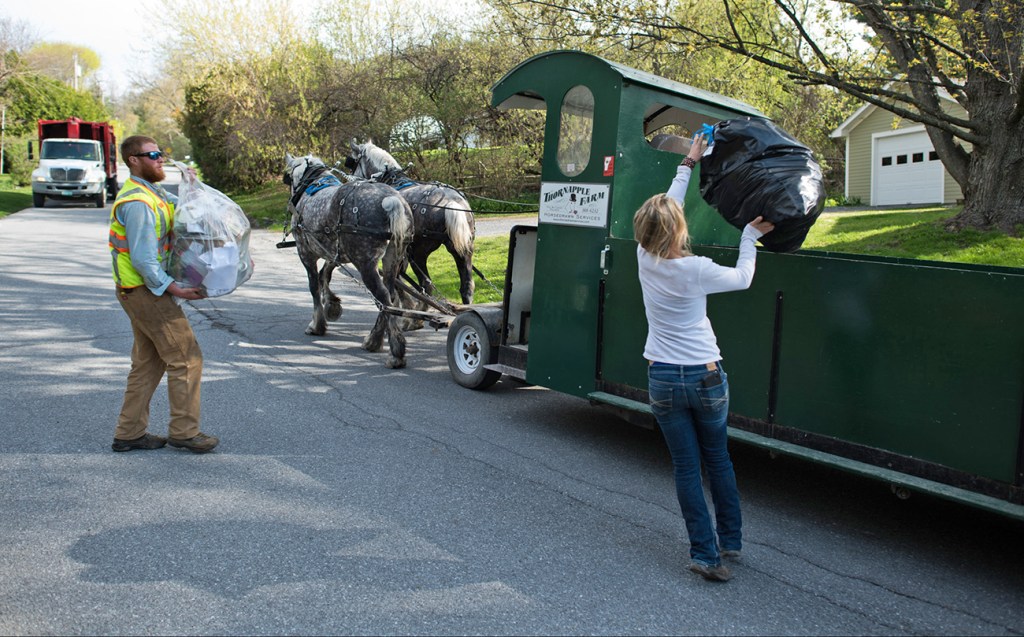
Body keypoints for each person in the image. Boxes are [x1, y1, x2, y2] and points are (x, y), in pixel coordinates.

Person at [633, 134, 774, 582]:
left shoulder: (643, 257)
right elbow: (744, 278)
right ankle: (730, 542)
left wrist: (687, 165)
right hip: (707, 378)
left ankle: (705, 555)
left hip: (663, 381)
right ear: (679, 229)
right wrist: (749, 236)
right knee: (719, 461)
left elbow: (665, 210)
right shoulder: (697, 269)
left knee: (686, 469)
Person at [108, 135, 219, 454]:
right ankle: (184, 431)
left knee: (148, 363)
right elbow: (143, 259)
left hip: (137, 290)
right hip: (145, 291)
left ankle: (129, 433)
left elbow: (181, 214)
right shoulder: (138, 203)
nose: (160, 159)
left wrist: (191, 186)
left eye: (161, 154)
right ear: (133, 160)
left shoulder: (150, 193)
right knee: (186, 357)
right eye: (153, 154)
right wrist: (176, 288)